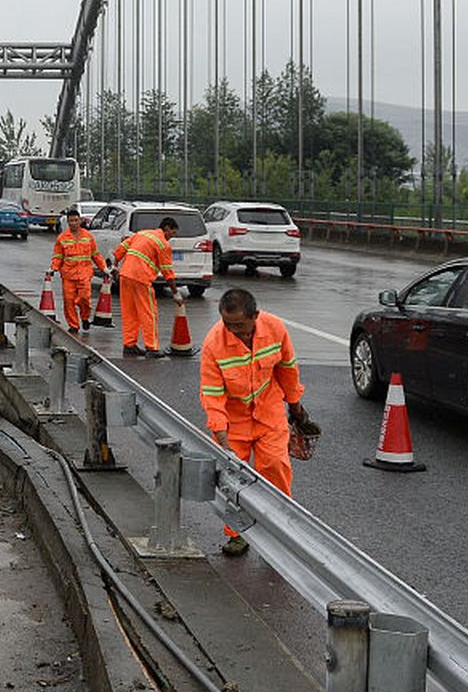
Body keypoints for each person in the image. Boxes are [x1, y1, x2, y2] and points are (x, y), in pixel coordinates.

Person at [198, 287, 316, 557]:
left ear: (255, 316)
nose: (234, 331)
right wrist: (223, 440)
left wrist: (295, 406)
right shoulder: (214, 343)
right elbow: (212, 395)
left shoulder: (275, 328)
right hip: (233, 419)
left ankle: (280, 530)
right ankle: (237, 534)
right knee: (233, 479)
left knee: (275, 467)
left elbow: (287, 369)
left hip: (269, 409)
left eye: (239, 325)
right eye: (228, 324)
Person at [111, 216, 178, 357]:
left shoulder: (141, 233)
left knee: (129, 312)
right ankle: (152, 347)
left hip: (125, 276)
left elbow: (120, 250)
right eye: (172, 233)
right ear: (166, 229)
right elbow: (168, 272)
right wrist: (175, 293)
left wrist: (115, 266)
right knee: (148, 313)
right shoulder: (163, 244)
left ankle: (129, 344)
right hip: (141, 278)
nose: (171, 237)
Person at [49, 209, 108, 333]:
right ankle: (73, 325)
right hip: (68, 274)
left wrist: (104, 268)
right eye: (71, 221)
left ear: (80, 220)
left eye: (76, 220)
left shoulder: (88, 236)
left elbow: (95, 255)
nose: (73, 223)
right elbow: (58, 256)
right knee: (69, 301)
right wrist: (53, 268)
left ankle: (85, 317)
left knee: (84, 298)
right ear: (68, 222)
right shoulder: (62, 238)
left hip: (84, 274)